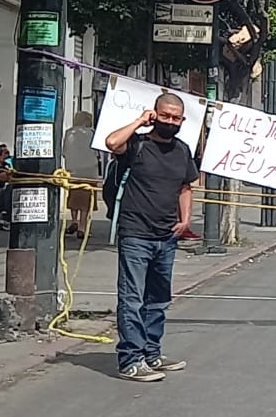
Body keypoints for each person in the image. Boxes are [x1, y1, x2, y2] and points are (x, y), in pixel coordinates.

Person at [104, 93, 199, 382]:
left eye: (176, 117)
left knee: (158, 299)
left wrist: (185, 220)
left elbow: (185, 187)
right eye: (165, 115)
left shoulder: (182, 150)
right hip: (135, 233)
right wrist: (139, 121)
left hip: (166, 235)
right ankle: (130, 360)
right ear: (155, 115)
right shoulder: (137, 144)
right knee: (132, 298)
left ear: (182, 120)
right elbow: (111, 143)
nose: (171, 121)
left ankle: (151, 353)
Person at [63, 111, 101, 239]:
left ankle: (73, 220)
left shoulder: (69, 133)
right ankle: (82, 228)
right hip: (89, 172)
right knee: (86, 202)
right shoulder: (92, 134)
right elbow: (97, 153)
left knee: (73, 197)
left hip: (73, 170)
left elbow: (64, 152)